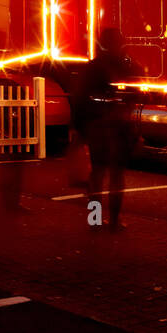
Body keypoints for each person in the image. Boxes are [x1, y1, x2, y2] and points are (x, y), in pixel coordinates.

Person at [73, 27, 137, 230]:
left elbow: (80, 98)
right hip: (119, 126)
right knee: (117, 176)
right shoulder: (126, 66)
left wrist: (78, 128)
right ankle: (115, 221)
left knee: (97, 175)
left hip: (97, 126)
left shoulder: (94, 67)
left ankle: (95, 220)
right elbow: (135, 91)